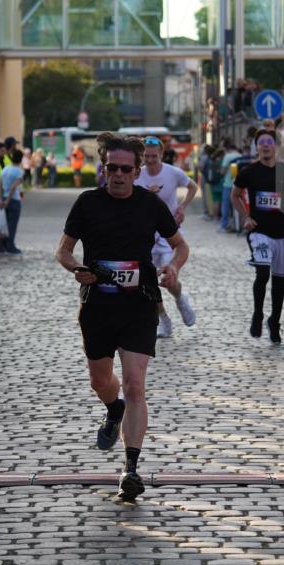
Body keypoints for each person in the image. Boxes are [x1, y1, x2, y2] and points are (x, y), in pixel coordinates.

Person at [55, 132, 189, 502]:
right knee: (102, 383)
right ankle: (112, 411)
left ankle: (130, 469)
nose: (116, 175)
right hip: (97, 306)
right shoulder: (87, 203)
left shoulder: (150, 205)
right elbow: (62, 251)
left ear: (135, 171)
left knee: (134, 385)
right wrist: (75, 268)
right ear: (104, 167)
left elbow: (180, 245)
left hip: (140, 304)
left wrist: (174, 268)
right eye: (110, 167)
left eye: (124, 169)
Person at [231, 128, 284, 343]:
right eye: (261, 142)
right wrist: (245, 217)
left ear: (276, 146)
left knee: (279, 280)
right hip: (259, 231)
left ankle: (275, 321)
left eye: (269, 142)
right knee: (263, 273)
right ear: (257, 147)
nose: (265, 145)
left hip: (283, 232)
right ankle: (257, 314)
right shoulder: (248, 171)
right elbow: (235, 195)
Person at [134, 135, 197, 338]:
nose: (150, 160)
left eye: (154, 156)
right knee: (148, 281)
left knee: (169, 280)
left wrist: (182, 207)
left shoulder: (172, 173)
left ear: (161, 154)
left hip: (168, 233)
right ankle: (163, 320)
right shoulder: (137, 175)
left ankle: (180, 298)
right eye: (146, 156)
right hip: (145, 235)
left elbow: (192, 186)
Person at [0, 148, 24, 255]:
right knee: (12, 224)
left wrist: (0, 199)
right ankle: (10, 246)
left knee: (3, 223)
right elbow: (13, 187)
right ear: (21, 159)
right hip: (14, 199)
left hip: (3, 198)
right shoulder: (19, 171)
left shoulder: (5, 169)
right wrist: (8, 200)